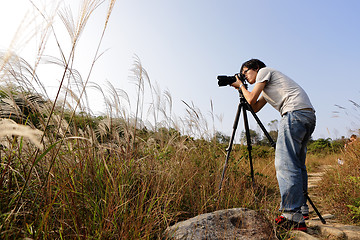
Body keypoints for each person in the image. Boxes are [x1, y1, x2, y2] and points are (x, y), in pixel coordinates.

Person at [231, 59, 316, 232]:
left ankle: (292, 215)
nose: (245, 77)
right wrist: (240, 90)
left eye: (246, 72)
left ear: (255, 68)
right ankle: (302, 209)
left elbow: (251, 97)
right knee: (298, 165)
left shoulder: (264, 71)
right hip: (306, 116)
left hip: (293, 115)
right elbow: (254, 107)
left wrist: (241, 86)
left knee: (285, 164)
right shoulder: (270, 86)